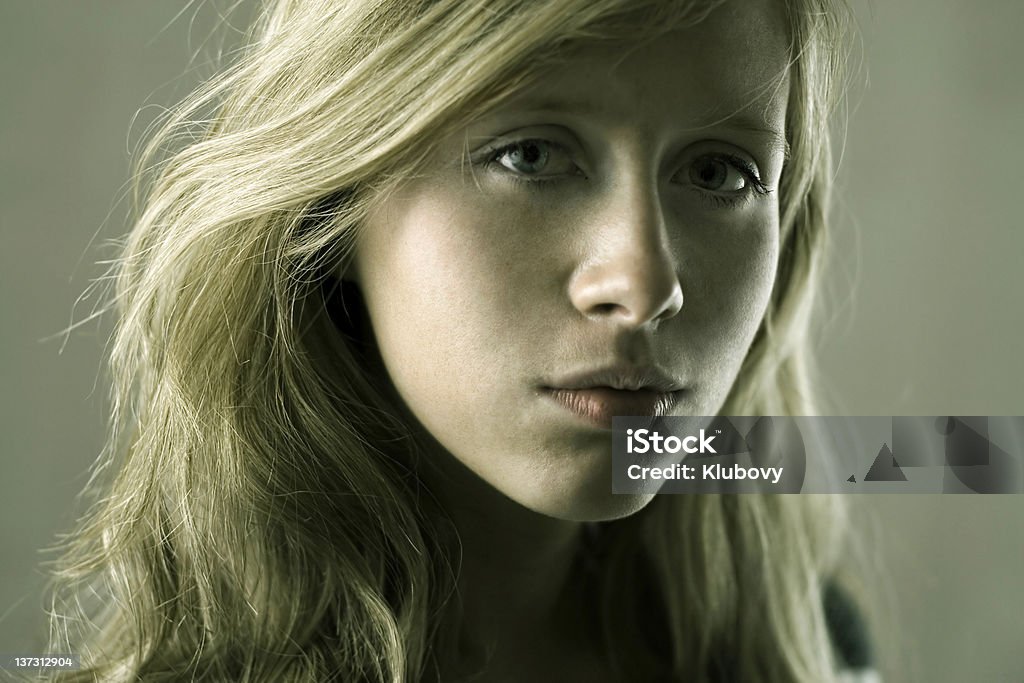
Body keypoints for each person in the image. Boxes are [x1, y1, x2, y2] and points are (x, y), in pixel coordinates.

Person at [44, 0, 877, 680]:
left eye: (718, 173)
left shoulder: (814, 648)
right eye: (532, 155)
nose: (645, 285)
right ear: (332, 209)